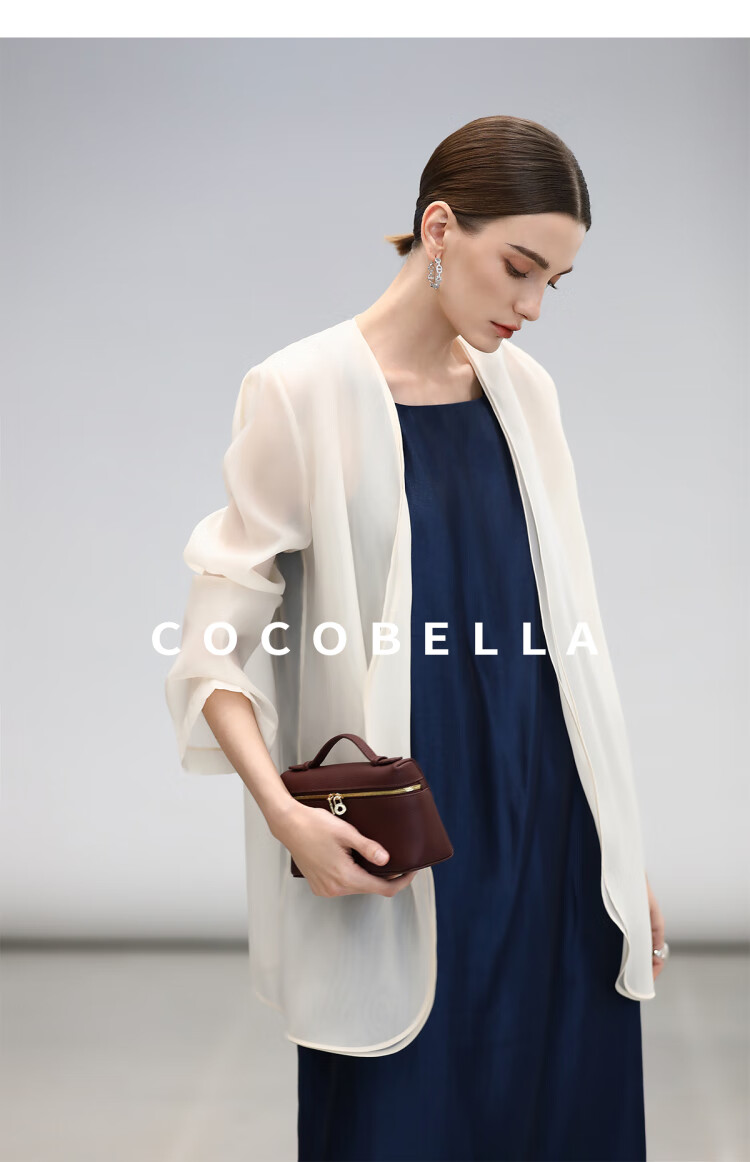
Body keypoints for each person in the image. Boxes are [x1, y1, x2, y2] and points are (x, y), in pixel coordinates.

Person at [164, 114, 668, 1162]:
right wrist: (287, 818)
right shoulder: (300, 390)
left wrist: (620, 852)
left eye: (555, 282)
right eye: (518, 268)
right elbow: (212, 649)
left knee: (564, 1116)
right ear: (439, 228)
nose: (532, 307)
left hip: (552, 831)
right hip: (406, 837)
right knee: (402, 1120)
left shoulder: (527, 393)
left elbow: (568, 641)